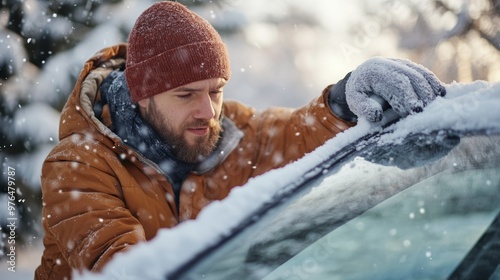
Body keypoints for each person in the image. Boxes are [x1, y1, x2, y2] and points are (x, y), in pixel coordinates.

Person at [34, 1, 446, 279]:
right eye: (186, 95)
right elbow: (124, 267)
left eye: (215, 90)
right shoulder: (77, 167)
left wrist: (342, 99)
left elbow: (291, 134)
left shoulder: (225, 133)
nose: (208, 111)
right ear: (142, 96)